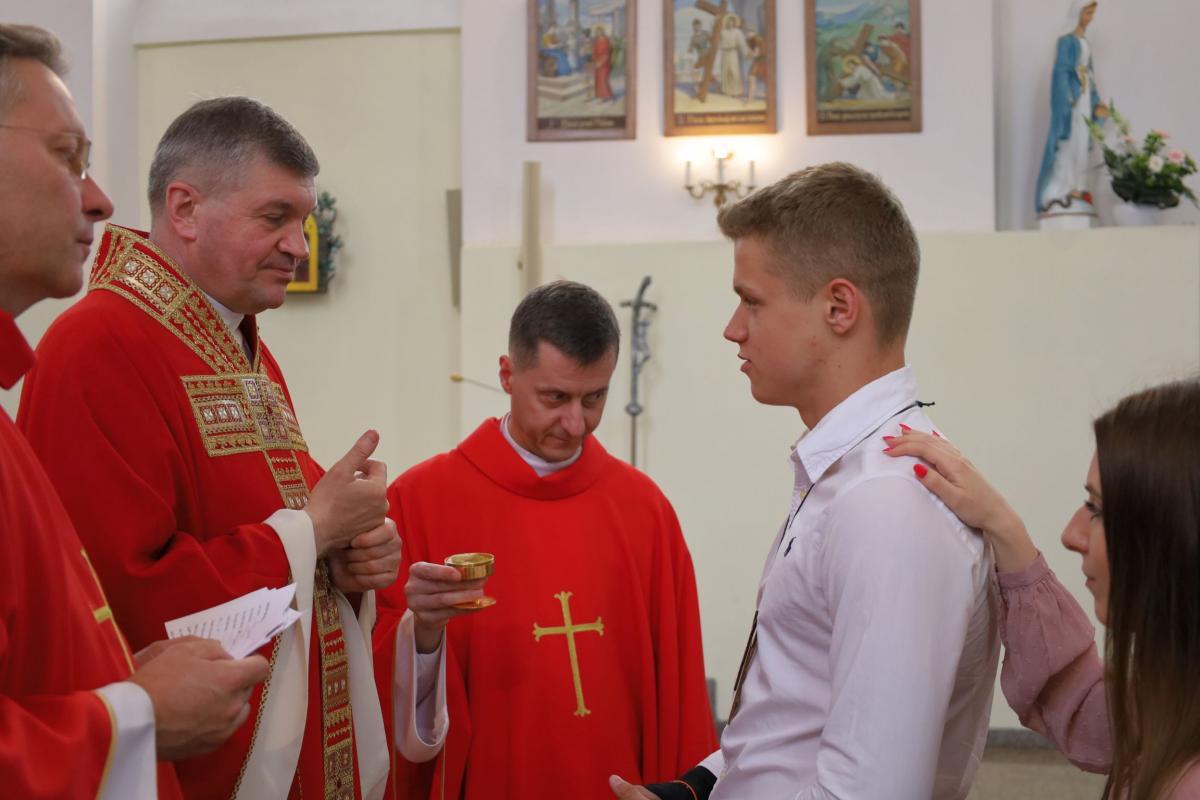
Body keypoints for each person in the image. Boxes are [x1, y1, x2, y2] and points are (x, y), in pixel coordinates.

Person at [19, 96, 441, 798]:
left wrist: (349, 559)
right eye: (275, 218)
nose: (299, 246)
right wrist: (312, 532)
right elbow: (119, 596)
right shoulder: (96, 346)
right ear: (185, 210)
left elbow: (276, 521)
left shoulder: (241, 350)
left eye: (303, 222)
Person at [611, 162, 999, 799]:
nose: (733, 328)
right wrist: (701, 786)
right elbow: (795, 712)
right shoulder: (849, 470)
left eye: (752, 301)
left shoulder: (887, 502)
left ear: (839, 307)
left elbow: (868, 793)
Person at [0, 23, 272, 798]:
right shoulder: (99, 342)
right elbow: (131, 569)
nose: (100, 198)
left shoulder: (240, 347)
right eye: (67, 156)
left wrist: (116, 678)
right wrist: (132, 716)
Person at [376, 281, 716, 799]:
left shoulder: (644, 511)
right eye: (555, 398)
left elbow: (679, 688)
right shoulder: (419, 501)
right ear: (507, 375)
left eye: (594, 398)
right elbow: (376, 687)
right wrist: (422, 635)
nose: (575, 423)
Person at [884, 379, 1200, 799]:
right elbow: (1089, 708)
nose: (1071, 534)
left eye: (1097, 510)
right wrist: (1001, 524)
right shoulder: (1180, 707)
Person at [1036, 1, 1108, 222]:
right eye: (1087, 12)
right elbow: (1061, 73)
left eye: (1092, 13)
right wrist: (1066, 102)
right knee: (1068, 144)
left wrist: (1096, 102)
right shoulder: (1066, 42)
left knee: (1082, 143)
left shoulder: (1085, 42)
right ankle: (1064, 186)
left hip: (1084, 100)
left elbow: (1090, 76)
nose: (1090, 18)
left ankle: (1079, 185)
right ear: (1077, 13)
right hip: (1073, 101)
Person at [717, 14, 746, 97]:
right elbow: (719, 43)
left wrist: (746, 52)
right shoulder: (723, 32)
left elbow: (742, 44)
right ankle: (727, 91)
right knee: (725, 72)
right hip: (725, 53)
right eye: (729, 21)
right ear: (726, 22)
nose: (730, 23)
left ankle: (737, 91)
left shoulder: (738, 32)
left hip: (733, 53)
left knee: (734, 71)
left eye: (732, 21)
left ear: (734, 23)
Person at [592, 25, 614, 101]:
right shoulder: (596, 41)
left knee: (604, 80)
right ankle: (601, 96)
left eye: (600, 32)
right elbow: (594, 52)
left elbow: (607, 53)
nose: (599, 33)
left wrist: (601, 62)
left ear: (602, 32)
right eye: (597, 32)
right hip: (597, 63)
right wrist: (595, 61)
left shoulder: (606, 40)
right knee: (598, 80)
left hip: (605, 64)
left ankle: (609, 96)